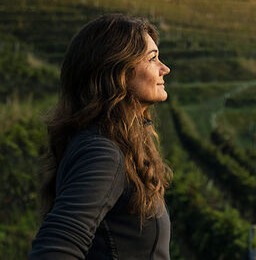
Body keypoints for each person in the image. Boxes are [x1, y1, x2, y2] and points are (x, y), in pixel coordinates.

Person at [29, 14, 173, 259]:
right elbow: (55, 249)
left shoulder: (109, 144)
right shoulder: (103, 153)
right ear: (118, 70)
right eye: (152, 58)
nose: (165, 69)